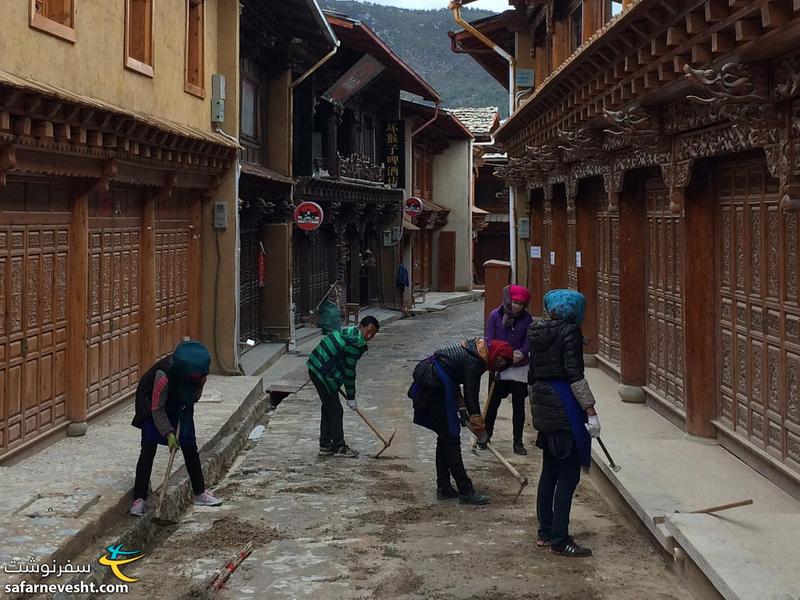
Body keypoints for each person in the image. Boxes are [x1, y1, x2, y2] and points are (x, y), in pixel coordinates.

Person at [528, 289, 601, 557]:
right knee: (568, 477)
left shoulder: (538, 333)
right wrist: (590, 411)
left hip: (545, 408)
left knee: (549, 473)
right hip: (563, 410)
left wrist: (538, 413)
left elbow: (532, 376)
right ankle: (560, 538)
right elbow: (575, 376)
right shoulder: (568, 332)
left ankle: (545, 532)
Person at [408, 337, 514, 505]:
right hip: (433, 390)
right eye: (500, 361)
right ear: (495, 354)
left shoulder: (476, 351)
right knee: (451, 439)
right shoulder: (475, 361)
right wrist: (480, 431)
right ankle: (466, 492)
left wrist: (462, 411)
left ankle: (443, 487)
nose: (500, 365)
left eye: (504, 364)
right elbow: (472, 396)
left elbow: (454, 377)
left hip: (440, 387)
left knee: (445, 439)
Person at [129, 340, 222, 516]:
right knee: (148, 449)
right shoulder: (163, 375)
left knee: (190, 447)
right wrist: (168, 433)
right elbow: (157, 408)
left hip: (182, 405)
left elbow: (195, 395)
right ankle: (139, 499)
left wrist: (187, 402)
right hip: (152, 404)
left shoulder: (201, 373)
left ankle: (200, 492)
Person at [307, 315, 380, 458]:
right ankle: (339, 446)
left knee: (328, 407)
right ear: (361, 326)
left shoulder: (351, 332)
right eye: (368, 331)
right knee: (335, 410)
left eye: (373, 334)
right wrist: (351, 397)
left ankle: (325, 445)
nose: (370, 336)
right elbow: (349, 372)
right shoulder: (356, 342)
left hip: (317, 366)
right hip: (322, 371)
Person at [484, 284, 534, 455]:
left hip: (519, 367)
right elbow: (489, 339)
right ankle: (487, 434)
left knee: (519, 406)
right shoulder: (495, 316)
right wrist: (501, 353)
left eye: (521, 304)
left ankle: (518, 442)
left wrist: (521, 352)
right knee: (492, 403)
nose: (517, 306)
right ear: (508, 300)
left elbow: (528, 340)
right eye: (515, 302)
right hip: (499, 364)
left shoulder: (527, 320)